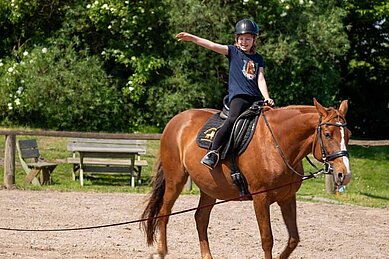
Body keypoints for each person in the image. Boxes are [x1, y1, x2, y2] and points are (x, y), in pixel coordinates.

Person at [176, 19, 274, 170]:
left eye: (248, 39)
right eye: (241, 38)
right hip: (239, 98)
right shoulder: (233, 52)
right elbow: (212, 45)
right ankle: (212, 152)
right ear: (236, 39)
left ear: (254, 40)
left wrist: (266, 97)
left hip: (255, 98)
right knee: (232, 119)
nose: (244, 42)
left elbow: (260, 78)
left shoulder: (258, 59)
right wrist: (193, 38)